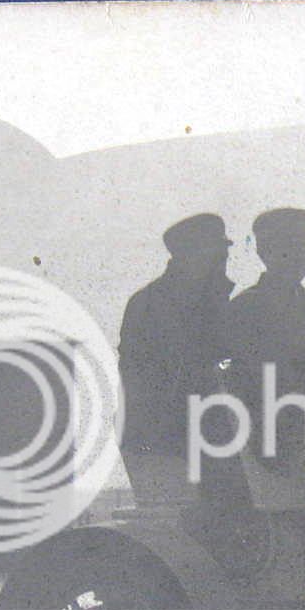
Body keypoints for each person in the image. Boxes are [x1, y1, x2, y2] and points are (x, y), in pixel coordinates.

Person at [117, 213, 240, 510]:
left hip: (205, 435)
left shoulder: (208, 300)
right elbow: (157, 377)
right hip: (162, 442)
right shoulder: (151, 304)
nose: (224, 263)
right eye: (218, 255)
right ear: (190, 255)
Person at [227, 208, 305, 461]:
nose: (299, 256)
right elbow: (258, 378)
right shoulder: (244, 310)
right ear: (265, 252)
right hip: (275, 443)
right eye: (289, 247)